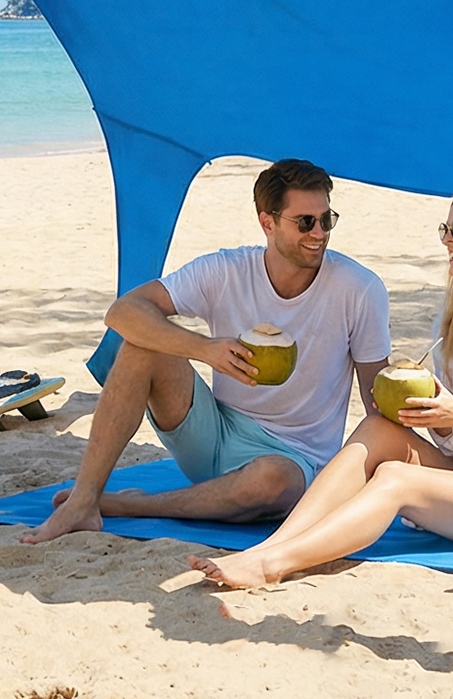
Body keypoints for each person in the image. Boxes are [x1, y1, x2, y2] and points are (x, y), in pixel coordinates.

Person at [192, 184, 453, 589]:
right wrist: (441, 420)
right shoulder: (452, 327)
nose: (448, 241)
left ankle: (273, 564)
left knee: (395, 478)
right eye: (445, 229)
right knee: (379, 430)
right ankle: (270, 546)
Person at [22, 158, 390, 542]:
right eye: (305, 222)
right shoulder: (226, 269)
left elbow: (374, 399)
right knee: (141, 345)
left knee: (270, 480)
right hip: (213, 434)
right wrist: (205, 349)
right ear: (268, 222)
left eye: (326, 220)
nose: (318, 233)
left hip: (294, 461)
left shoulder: (358, 289)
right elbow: (123, 311)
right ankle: (84, 498)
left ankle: (129, 505)